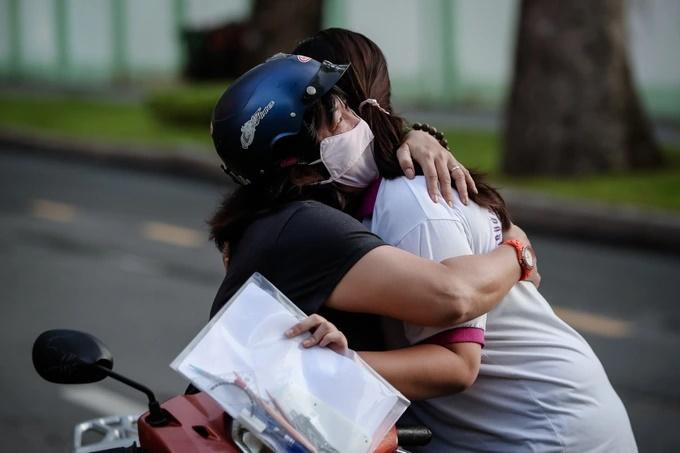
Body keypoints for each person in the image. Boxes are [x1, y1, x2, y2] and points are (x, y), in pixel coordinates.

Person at [285, 28, 637, 452]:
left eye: (312, 109)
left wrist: (326, 367)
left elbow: (456, 366)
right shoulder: (352, 197)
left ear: (346, 106)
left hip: (550, 430)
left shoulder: (409, 200)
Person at [207, 53, 534, 399]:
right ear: (301, 169)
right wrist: (517, 251)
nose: (357, 120)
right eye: (338, 118)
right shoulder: (305, 227)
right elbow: (454, 297)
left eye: (347, 105)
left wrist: (415, 136)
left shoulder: (267, 223)